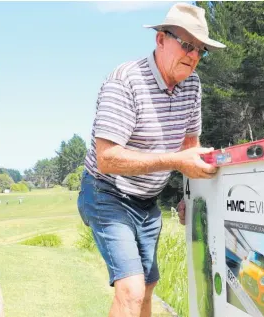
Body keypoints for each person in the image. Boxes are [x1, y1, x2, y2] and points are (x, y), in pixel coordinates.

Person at [77, 3, 226, 317]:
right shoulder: (125, 81)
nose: (194, 55)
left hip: (147, 200)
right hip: (106, 192)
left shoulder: (192, 85)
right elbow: (107, 159)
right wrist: (177, 161)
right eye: (187, 45)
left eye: (201, 50)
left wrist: (192, 196)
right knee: (130, 290)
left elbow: (191, 147)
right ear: (161, 40)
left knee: (146, 289)